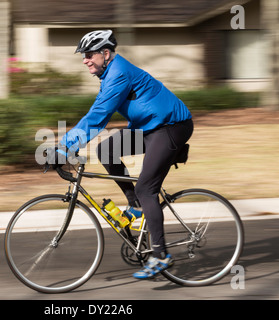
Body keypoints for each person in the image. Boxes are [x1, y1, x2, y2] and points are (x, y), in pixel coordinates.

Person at [50, 30, 193, 279]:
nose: (84, 60)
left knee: (146, 187)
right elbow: (97, 114)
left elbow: (97, 117)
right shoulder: (109, 74)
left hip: (171, 128)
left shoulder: (118, 73)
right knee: (107, 149)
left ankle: (160, 256)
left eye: (88, 55)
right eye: (83, 56)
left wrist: (64, 147)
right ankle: (136, 206)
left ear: (105, 54)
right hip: (150, 127)